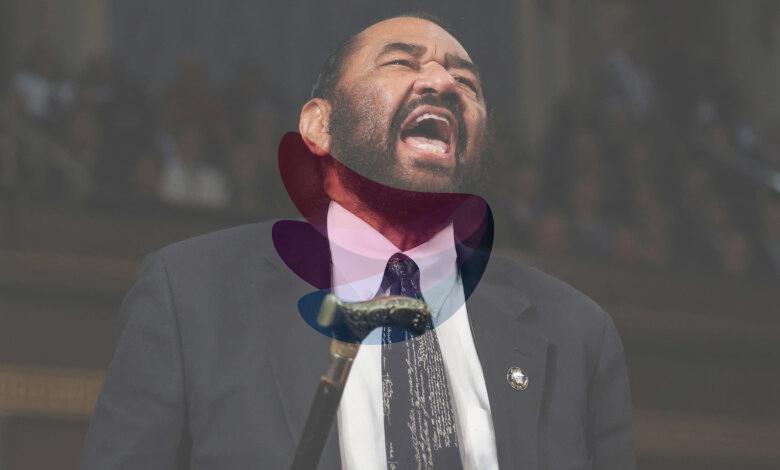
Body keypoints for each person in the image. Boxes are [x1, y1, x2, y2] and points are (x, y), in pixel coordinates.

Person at [81, 14, 635, 470]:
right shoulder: (192, 297)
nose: (442, 83)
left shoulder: (577, 332)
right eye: (401, 62)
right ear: (319, 127)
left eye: (466, 83)